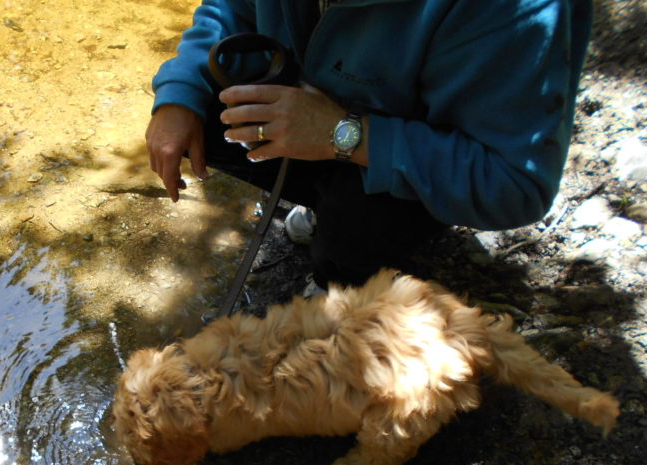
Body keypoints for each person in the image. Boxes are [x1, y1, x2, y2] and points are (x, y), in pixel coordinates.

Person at [145, 0, 594, 289]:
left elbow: (513, 186)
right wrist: (180, 93)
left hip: (423, 152)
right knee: (203, 117)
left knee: (353, 225)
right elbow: (229, 8)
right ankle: (328, 199)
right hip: (333, 104)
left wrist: (343, 134)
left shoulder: (512, 12)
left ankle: (345, 270)